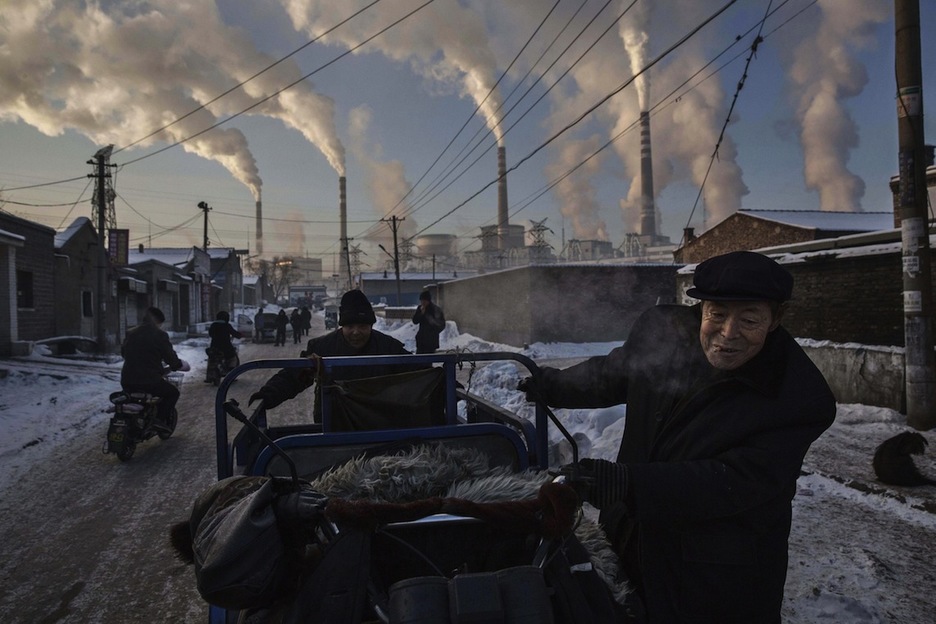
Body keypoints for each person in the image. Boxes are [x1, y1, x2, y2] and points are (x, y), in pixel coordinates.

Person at [518, 251, 836, 624]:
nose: (728, 333)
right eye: (717, 314)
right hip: (630, 540)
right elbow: (614, 374)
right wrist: (550, 385)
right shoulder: (665, 334)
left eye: (749, 319)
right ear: (700, 307)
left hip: (714, 577)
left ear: (776, 319)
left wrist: (628, 484)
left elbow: (734, 481)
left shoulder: (797, 397)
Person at [250, 289, 413, 422]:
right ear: (341, 325)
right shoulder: (322, 348)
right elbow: (295, 377)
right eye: (350, 326)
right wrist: (268, 395)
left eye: (362, 326)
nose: (356, 332)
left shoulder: (389, 348)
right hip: (334, 427)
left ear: (371, 325)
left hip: (378, 426)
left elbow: (418, 373)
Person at [120, 306, 190, 430]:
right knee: (172, 393)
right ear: (158, 321)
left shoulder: (131, 333)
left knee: (132, 398)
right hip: (149, 381)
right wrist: (177, 365)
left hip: (127, 380)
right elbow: (170, 357)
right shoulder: (159, 335)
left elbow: (124, 354)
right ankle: (158, 420)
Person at [207, 311, 243, 380]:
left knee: (211, 358)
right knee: (233, 358)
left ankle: (210, 376)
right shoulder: (227, 325)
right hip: (226, 347)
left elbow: (210, 334)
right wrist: (240, 335)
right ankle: (231, 374)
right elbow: (234, 333)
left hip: (214, 347)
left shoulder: (213, 325)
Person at [412, 290, 446, 354]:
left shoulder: (435, 309)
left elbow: (441, 324)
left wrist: (433, 333)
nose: (422, 302)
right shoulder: (420, 308)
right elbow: (415, 321)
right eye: (421, 301)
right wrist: (421, 313)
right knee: (419, 360)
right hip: (421, 340)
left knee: (428, 360)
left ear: (428, 300)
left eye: (424, 301)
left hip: (431, 341)